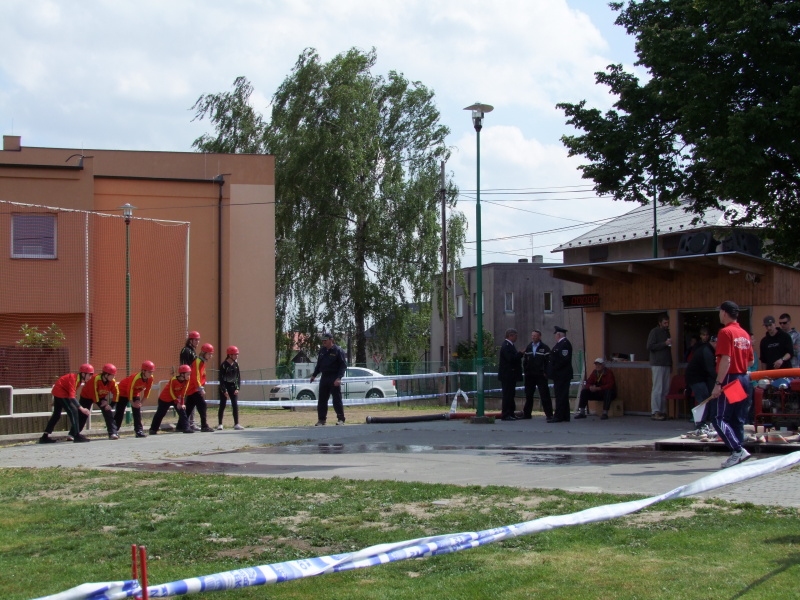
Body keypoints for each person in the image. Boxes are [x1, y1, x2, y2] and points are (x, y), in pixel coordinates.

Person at [711, 300, 754, 469]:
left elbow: (726, 360)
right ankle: (738, 455)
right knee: (737, 419)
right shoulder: (744, 333)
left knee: (718, 418)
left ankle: (737, 450)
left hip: (729, 379)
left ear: (724, 312)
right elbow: (750, 361)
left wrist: (718, 384)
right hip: (743, 378)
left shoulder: (725, 332)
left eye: (719, 312)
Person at [40, 363, 94, 443]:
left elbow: (69, 393)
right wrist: (82, 408)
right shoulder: (74, 379)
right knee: (74, 411)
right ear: (83, 374)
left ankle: (44, 437)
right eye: (89, 374)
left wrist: (56, 400)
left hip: (59, 392)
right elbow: (72, 397)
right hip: (61, 393)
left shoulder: (78, 380)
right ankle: (76, 435)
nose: (90, 377)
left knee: (56, 415)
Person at [310, 332, 347, 426]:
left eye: (325, 340)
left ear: (331, 340)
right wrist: (314, 375)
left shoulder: (338, 350)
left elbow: (343, 366)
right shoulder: (322, 351)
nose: (324, 342)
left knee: (336, 399)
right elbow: (319, 365)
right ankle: (321, 420)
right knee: (322, 400)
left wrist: (339, 378)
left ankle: (341, 419)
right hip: (324, 377)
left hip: (334, 377)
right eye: (322, 340)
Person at [78, 363, 120, 440]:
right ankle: (73, 434)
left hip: (100, 396)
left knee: (108, 412)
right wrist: (101, 403)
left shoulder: (112, 381)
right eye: (112, 375)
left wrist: (111, 405)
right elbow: (94, 393)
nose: (114, 377)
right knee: (83, 415)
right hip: (87, 396)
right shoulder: (96, 379)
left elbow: (116, 393)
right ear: (106, 374)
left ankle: (113, 432)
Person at [115, 360, 156, 438]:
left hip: (134, 393)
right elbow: (129, 390)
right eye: (149, 372)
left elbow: (147, 391)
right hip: (123, 392)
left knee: (137, 410)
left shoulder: (150, 378)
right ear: (143, 371)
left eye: (152, 372)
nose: (151, 374)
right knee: (120, 412)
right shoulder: (136, 378)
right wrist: (132, 403)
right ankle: (114, 431)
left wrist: (141, 403)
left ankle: (139, 431)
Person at [149, 364, 192, 434]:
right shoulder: (173, 380)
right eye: (188, 374)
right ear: (182, 374)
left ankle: (186, 428)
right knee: (160, 414)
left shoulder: (187, 380)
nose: (189, 376)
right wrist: (177, 401)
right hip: (165, 398)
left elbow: (184, 392)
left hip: (176, 398)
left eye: (189, 374)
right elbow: (171, 392)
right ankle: (153, 429)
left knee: (182, 411)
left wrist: (182, 403)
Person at [685, 328, 716, 418]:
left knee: (704, 398)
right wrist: (719, 379)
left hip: (696, 377)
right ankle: (699, 421)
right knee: (703, 399)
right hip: (695, 378)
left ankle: (700, 420)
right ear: (714, 342)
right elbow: (710, 369)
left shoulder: (706, 349)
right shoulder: (707, 351)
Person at [647, 313, 672, 421]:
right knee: (658, 388)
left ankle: (663, 411)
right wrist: (664, 344)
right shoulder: (654, 332)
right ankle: (655, 411)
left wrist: (670, 364)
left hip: (666, 363)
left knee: (665, 389)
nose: (667, 325)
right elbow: (650, 346)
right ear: (660, 323)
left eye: (668, 323)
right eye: (665, 323)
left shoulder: (667, 332)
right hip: (657, 363)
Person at [521, 329, 551, 420]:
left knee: (544, 395)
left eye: (535, 336)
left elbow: (548, 362)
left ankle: (549, 414)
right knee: (529, 395)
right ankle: (527, 414)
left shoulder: (545, 348)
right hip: (530, 375)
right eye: (532, 335)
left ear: (539, 337)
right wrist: (526, 371)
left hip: (541, 375)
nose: (533, 337)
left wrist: (546, 372)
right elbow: (525, 361)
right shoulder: (529, 347)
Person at [185, 343, 215, 432]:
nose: (211, 356)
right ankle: (204, 426)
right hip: (194, 388)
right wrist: (200, 388)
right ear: (204, 353)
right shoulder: (198, 362)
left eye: (211, 354)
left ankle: (181, 425)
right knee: (202, 405)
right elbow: (196, 376)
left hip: (193, 388)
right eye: (209, 354)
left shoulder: (201, 362)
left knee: (189, 408)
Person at [548, 326, 573, 423]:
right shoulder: (560, 344)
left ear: (558, 334)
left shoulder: (564, 344)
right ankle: (564, 415)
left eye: (555, 334)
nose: (555, 336)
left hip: (562, 374)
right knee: (561, 395)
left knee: (561, 396)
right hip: (559, 374)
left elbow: (563, 360)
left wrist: (554, 368)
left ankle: (559, 416)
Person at [497, 328, 523, 421]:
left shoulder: (510, 345)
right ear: (510, 336)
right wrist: (520, 354)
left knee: (511, 395)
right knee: (507, 395)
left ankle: (511, 413)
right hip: (507, 375)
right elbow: (510, 359)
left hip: (511, 375)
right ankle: (506, 414)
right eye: (515, 336)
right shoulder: (506, 345)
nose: (516, 338)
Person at [218, 345, 243, 430]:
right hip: (225, 386)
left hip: (233, 387)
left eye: (237, 354)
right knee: (222, 405)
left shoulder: (236, 365)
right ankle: (220, 424)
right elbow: (221, 379)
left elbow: (238, 378)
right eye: (235, 354)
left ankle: (236, 423)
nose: (237, 356)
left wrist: (237, 388)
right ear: (230, 355)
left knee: (235, 405)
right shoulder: (224, 365)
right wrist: (224, 390)